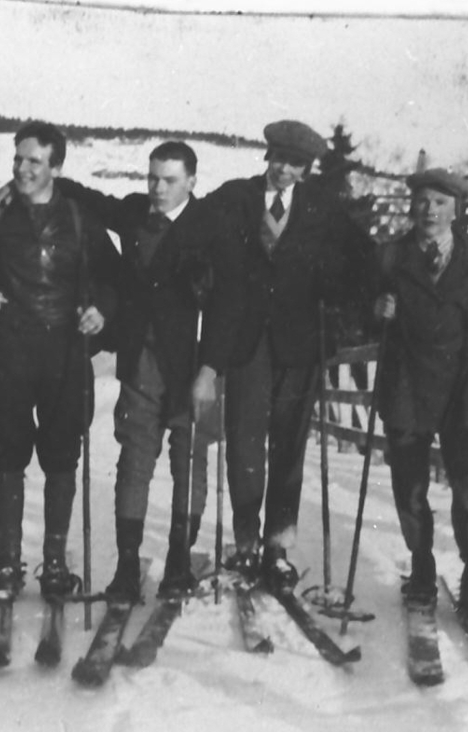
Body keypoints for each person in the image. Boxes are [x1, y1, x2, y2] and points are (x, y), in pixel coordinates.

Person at [193, 120, 373, 592]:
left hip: (299, 346)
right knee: (245, 444)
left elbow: (365, 257)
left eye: (295, 164)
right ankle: (247, 543)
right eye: (278, 159)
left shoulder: (322, 209)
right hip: (246, 343)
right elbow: (188, 225)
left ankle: (278, 545)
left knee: (289, 447)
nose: (284, 171)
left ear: (306, 168)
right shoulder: (235, 197)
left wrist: (341, 291)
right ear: (267, 156)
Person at [0, 121, 120, 597]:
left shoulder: (80, 220)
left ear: (56, 167)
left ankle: (54, 564)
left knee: (62, 454)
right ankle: (7, 563)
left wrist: (101, 310)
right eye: (18, 160)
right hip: (7, 349)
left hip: (66, 352)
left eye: (35, 162)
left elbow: (113, 278)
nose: (23, 169)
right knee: (8, 451)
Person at [53, 141, 224, 600]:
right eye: (152, 178)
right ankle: (127, 565)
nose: (158, 188)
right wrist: (45, 179)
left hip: (193, 366)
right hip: (142, 362)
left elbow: (230, 303)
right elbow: (92, 200)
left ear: (191, 180)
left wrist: (211, 368)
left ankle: (177, 561)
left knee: (190, 462)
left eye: (169, 180)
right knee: (134, 462)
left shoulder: (211, 226)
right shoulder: (134, 213)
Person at [372, 167, 468, 623]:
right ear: (411, 206)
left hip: (463, 386)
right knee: (409, 486)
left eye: (440, 202)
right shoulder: (389, 257)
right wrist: (375, 310)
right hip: (407, 386)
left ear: (455, 210)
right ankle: (421, 569)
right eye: (422, 200)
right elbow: (355, 314)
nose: (429, 210)